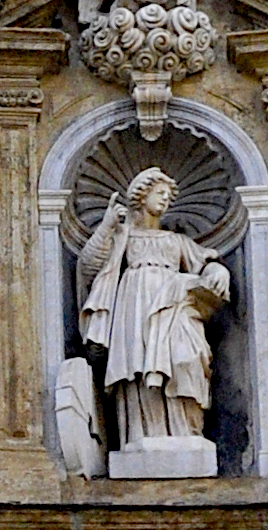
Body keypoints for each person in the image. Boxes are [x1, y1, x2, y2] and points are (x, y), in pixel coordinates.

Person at [79, 167, 228, 455]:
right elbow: (89, 266)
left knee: (186, 358)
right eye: (159, 193)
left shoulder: (176, 241)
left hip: (175, 307)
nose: (165, 200)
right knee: (137, 366)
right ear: (142, 195)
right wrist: (108, 225)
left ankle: (186, 432)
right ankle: (141, 434)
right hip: (134, 305)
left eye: (168, 197)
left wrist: (218, 269)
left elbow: (204, 262)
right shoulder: (125, 236)